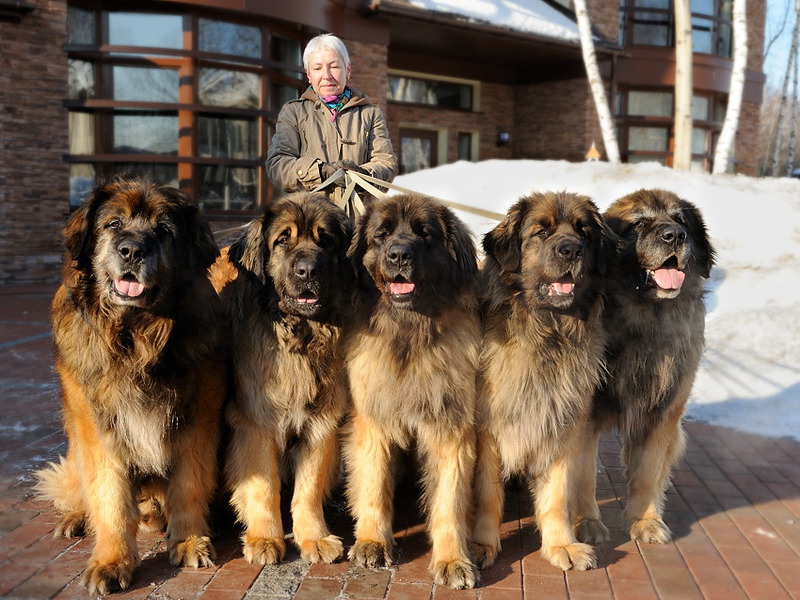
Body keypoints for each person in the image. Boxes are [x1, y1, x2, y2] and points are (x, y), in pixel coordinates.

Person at [265, 33, 397, 213]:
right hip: (311, 220)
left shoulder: (370, 114)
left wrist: (362, 175)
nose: (326, 75)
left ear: (347, 70)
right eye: (317, 68)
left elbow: (386, 163)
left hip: (358, 222)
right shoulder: (293, 112)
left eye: (334, 66)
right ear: (309, 74)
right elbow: (278, 165)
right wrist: (320, 171)